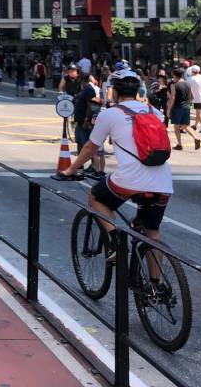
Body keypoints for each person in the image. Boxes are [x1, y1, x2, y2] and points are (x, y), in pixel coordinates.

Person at [61, 70, 174, 264]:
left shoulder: (110, 114)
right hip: (162, 180)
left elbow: (90, 148)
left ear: (114, 92)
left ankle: (115, 242)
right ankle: (157, 287)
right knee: (153, 232)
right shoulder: (153, 111)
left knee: (95, 196)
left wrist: (71, 169)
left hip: (129, 179)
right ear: (138, 91)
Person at [72, 76, 104, 178]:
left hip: (85, 121)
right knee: (79, 142)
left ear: (84, 81)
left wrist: (87, 119)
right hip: (80, 121)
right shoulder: (84, 90)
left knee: (87, 144)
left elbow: (92, 106)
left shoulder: (89, 90)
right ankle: (80, 164)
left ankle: (95, 167)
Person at [166, 68, 200, 151]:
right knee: (186, 126)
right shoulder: (187, 84)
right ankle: (196, 138)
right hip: (186, 107)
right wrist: (188, 102)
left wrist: (168, 109)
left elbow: (172, 97)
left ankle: (179, 144)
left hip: (177, 107)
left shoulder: (174, 84)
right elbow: (192, 96)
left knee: (176, 126)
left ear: (174, 75)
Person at [187, 64, 201, 131]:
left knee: (200, 114)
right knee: (198, 113)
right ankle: (195, 125)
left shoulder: (189, 79)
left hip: (197, 99)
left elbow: (189, 90)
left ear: (192, 71)